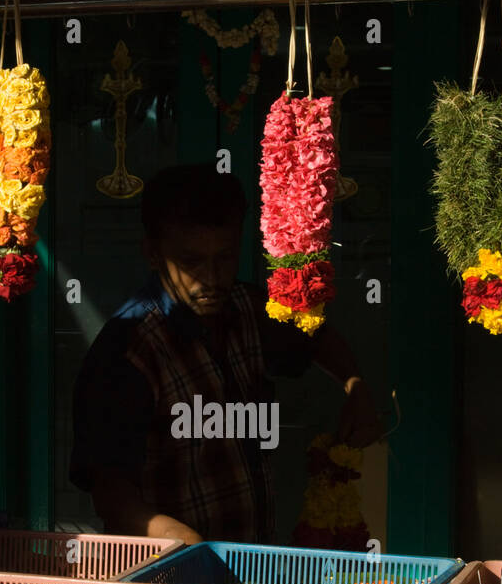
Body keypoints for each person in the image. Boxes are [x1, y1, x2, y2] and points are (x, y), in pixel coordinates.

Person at [70, 163, 382, 545]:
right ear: (152, 254)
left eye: (225, 257)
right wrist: (185, 543)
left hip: (253, 557)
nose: (212, 279)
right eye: (191, 262)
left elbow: (314, 338)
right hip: (170, 580)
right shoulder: (127, 351)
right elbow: (112, 496)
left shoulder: (247, 307)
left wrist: (356, 387)